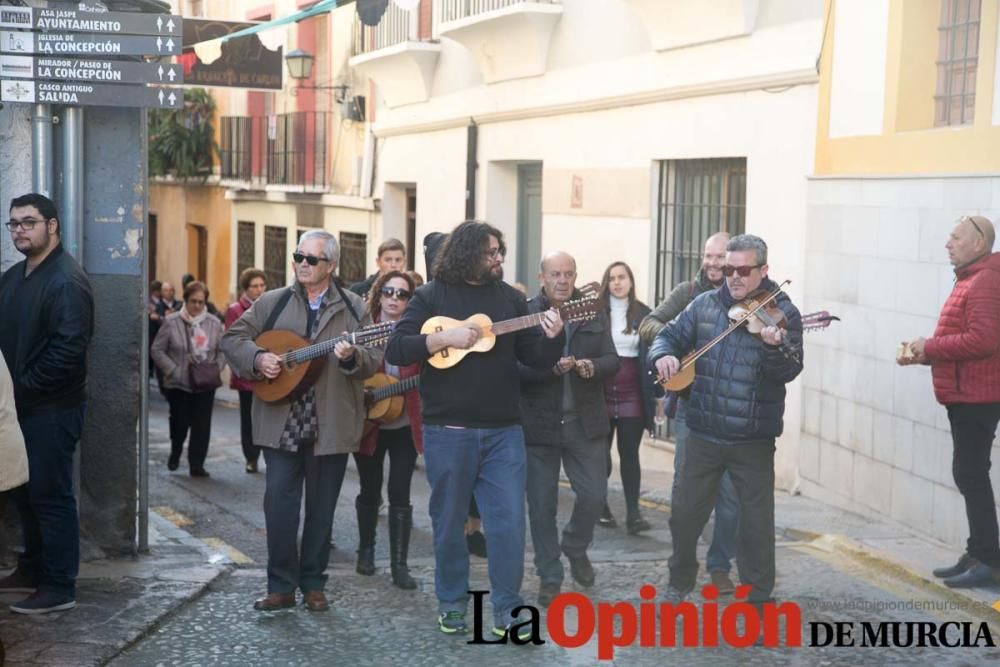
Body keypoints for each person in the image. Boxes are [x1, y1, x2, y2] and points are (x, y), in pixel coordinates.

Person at [385, 220, 564, 637]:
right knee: (448, 523)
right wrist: (442, 338)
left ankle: (506, 610)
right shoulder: (431, 296)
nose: (499, 258)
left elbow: (535, 358)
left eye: (500, 251)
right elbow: (398, 347)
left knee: (507, 525)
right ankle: (451, 602)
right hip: (448, 431)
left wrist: (554, 338)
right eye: (491, 252)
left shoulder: (511, 299)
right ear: (468, 253)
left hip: (504, 432)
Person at [222, 229, 380, 613]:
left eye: (312, 259)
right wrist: (259, 358)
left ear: (331, 266)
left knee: (322, 510)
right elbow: (232, 338)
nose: (302, 265)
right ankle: (280, 586)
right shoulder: (272, 302)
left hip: (330, 422)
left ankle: (313, 583)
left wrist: (349, 359)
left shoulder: (355, 307)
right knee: (279, 507)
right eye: (299, 257)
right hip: (281, 421)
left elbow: (375, 356)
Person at [650, 234, 802, 604]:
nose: (733, 277)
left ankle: (758, 596)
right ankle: (680, 580)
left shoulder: (783, 313)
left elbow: (790, 368)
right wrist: (663, 356)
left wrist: (772, 347)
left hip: (752, 439)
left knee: (756, 526)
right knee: (684, 516)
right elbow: (666, 336)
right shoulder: (704, 305)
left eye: (743, 271)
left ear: (764, 270)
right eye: (729, 269)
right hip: (704, 432)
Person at [0, 192, 94, 614]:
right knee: (24, 490)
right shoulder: (14, 277)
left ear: (52, 226)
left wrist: (21, 389)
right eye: (14, 223)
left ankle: (59, 586)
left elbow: (67, 352)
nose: (20, 230)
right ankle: (33, 567)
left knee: (51, 495)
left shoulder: (66, 281)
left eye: (29, 222)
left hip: (52, 410)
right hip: (20, 409)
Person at [901, 215, 1000, 588]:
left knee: (971, 473)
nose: (947, 243)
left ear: (979, 242)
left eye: (955, 237)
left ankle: (989, 559)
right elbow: (966, 337)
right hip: (964, 392)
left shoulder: (987, 278)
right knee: (969, 473)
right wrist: (925, 354)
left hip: (978, 394)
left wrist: (931, 347)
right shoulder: (972, 276)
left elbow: (984, 340)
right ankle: (979, 552)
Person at [639, 231, 741, 594]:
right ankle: (681, 568)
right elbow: (648, 323)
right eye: (709, 256)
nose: (714, 263)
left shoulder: (747, 298)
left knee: (731, 499)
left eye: (720, 258)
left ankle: (719, 565)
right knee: (685, 496)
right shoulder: (687, 293)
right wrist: (675, 343)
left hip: (730, 413)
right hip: (691, 409)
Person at [520, 252, 618, 607]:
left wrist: (590, 365)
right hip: (539, 424)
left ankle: (575, 546)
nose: (563, 280)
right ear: (542, 276)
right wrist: (550, 370)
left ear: (576, 277)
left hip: (584, 422)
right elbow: (516, 370)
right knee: (541, 506)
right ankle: (550, 574)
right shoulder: (526, 313)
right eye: (555, 274)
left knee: (594, 496)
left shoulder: (591, 311)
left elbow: (613, 360)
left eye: (569, 274)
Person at [354, 271, 423, 590]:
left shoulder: (418, 330)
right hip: (369, 422)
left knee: (400, 490)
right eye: (389, 292)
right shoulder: (363, 329)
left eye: (403, 294)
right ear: (379, 294)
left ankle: (399, 564)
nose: (395, 299)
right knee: (369, 488)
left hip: (405, 422)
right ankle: (365, 551)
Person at [597, 261, 656, 535]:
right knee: (601, 455)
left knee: (629, 454)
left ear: (631, 281)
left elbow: (654, 355)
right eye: (612, 278)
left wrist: (656, 398)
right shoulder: (596, 313)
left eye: (622, 277)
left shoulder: (644, 313)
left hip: (633, 389)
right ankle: (601, 507)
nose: (617, 282)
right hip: (601, 391)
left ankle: (634, 514)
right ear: (606, 283)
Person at [151, 281, 224, 477]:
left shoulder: (214, 323)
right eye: (193, 301)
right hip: (179, 384)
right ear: (185, 300)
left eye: (201, 302)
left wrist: (217, 367)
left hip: (205, 383)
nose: (197, 306)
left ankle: (197, 464)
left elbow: (222, 351)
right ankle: (176, 450)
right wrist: (173, 370)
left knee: (202, 425)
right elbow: (157, 350)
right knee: (180, 423)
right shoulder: (172, 321)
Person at [225, 268, 268, 473]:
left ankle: (266, 453)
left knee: (267, 417)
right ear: (246, 288)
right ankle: (251, 457)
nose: (259, 290)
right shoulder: (235, 309)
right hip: (247, 374)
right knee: (248, 419)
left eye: (262, 285)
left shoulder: (270, 306)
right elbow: (233, 341)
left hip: (268, 373)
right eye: (254, 286)